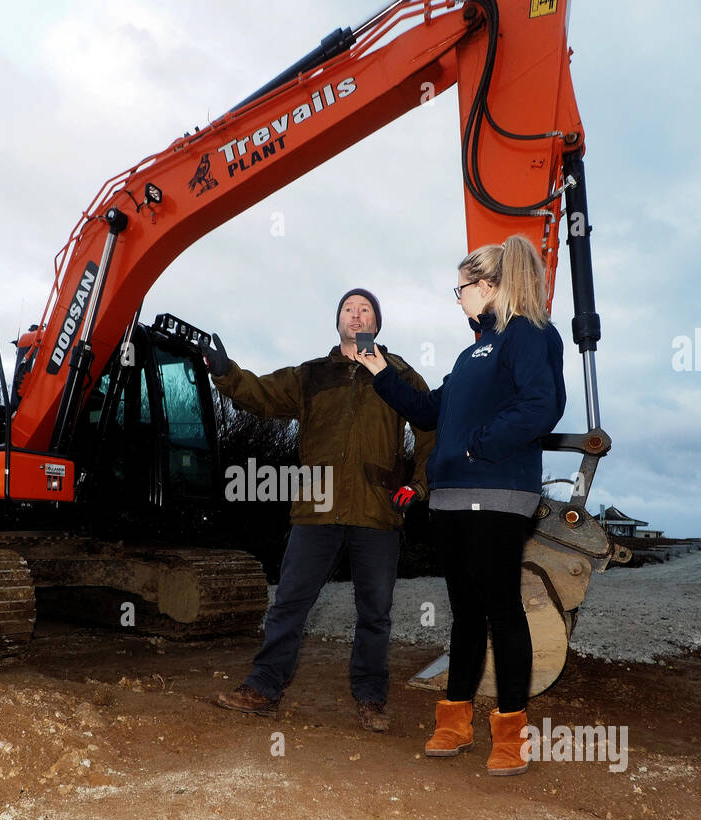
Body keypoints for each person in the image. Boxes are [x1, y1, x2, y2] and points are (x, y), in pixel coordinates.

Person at [353, 236, 566, 774]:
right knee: (467, 614)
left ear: (489, 286)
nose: (459, 298)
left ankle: (512, 731)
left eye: (463, 288)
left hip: (496, 493)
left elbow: (542, 404)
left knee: (501, 609)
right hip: (448, 499)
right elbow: (427, 412)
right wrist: (382, 372)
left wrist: (479, 444)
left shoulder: (530, 334)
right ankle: (453, 721)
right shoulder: (470, 353)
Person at [200, 289, 435, 732]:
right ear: (339, 321)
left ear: (377, 324)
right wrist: (226, 373)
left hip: (378, 511)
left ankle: (370, 698)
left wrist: (418, 484)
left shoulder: (400, 374)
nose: (357, 313)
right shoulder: (311, 375)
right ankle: (263, 688)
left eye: (365, 309)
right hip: (316, 507)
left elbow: (429, 429)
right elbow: (261, 395)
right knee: (290, 602)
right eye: (349, 308)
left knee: (375, 611)